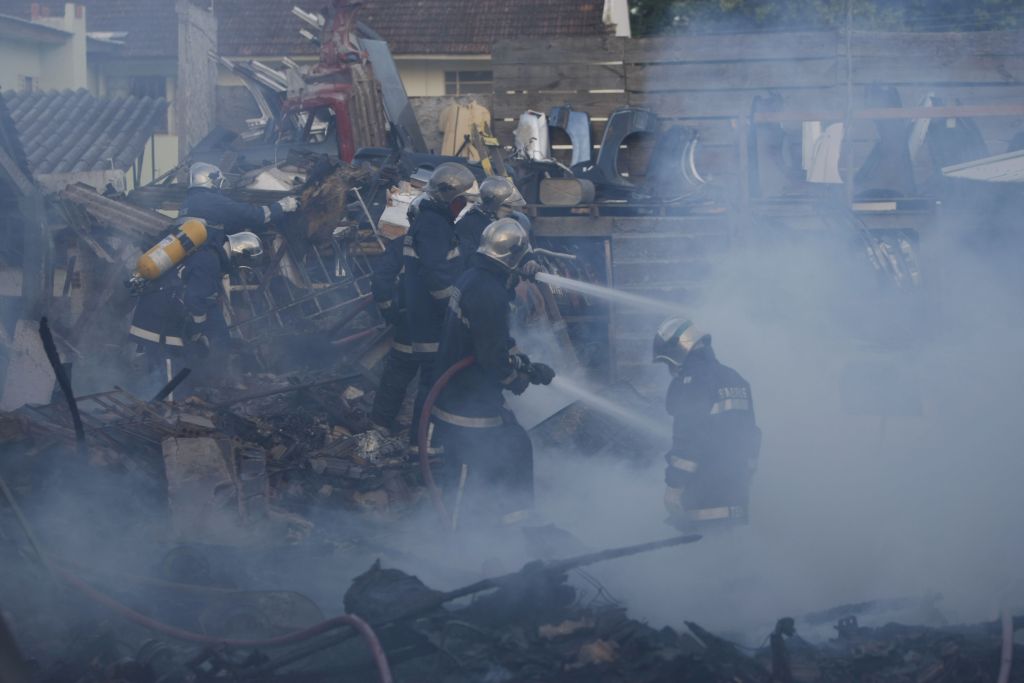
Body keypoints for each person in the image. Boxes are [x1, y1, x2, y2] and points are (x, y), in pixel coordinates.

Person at [431, 217, 556, 527]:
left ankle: (508, 523)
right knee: (473, 470)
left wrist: (524, 362)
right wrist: (517, 379)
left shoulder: (474, 277)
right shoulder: (489, 294)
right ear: (511, 257)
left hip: (462, 393)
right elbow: (490, 355)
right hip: (465, 406)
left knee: (512, 445)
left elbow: (494, 340)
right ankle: (459, 537)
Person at [653, 318, 761, 531]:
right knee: (732, 560)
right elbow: (752, 436)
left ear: (678, 352)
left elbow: (690, 438)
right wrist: (745, 477)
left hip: (702, 502)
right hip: (736, 500)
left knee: (701, 560)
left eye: (668, 362)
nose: (670, 369)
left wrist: (674, 486)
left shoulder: (694, 382)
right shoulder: (735, 378)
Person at [129, 225, 264, 394]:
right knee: (169, 382)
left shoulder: (207, 253)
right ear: (239, 255)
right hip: (160, 323)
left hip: (157, 316)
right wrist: (199, 331)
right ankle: (165, 415)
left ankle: (156, 408)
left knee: (164, 374)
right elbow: (195, 300)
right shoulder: (210, 261)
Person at [402, 162, 476, 429]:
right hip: (432, 319)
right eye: (462, 200)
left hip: (427, 315)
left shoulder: (433, 220)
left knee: (434, 381)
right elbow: (437, 276)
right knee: (434, 383)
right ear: (449, 197)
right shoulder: (433, 225)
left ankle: (425, 445)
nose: (464, 206)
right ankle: (423, 447)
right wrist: (457, 309)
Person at [369, 212, 419, 434]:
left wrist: (391, 311)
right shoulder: (448, 244)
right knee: (432, 381)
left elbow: (381, 280)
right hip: (438, 325)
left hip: (409, 322)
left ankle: (378, 430)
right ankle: (421, 435)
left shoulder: (402, 245)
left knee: (397, 376)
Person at [181, 162, 299, 232]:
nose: (219, 188)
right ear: (208, 180)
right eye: (218, 183)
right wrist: (282, 206)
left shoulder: (190, 201)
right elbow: (251, 215)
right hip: (204, 255)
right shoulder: (210, 200)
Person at [454, 176, 526, 261]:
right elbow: (468, 257)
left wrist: (529, 259)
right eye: (507, 206)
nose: (511, 211)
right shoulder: (468, 224)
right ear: (492, 204)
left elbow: (522, 248)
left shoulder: (513, 222)